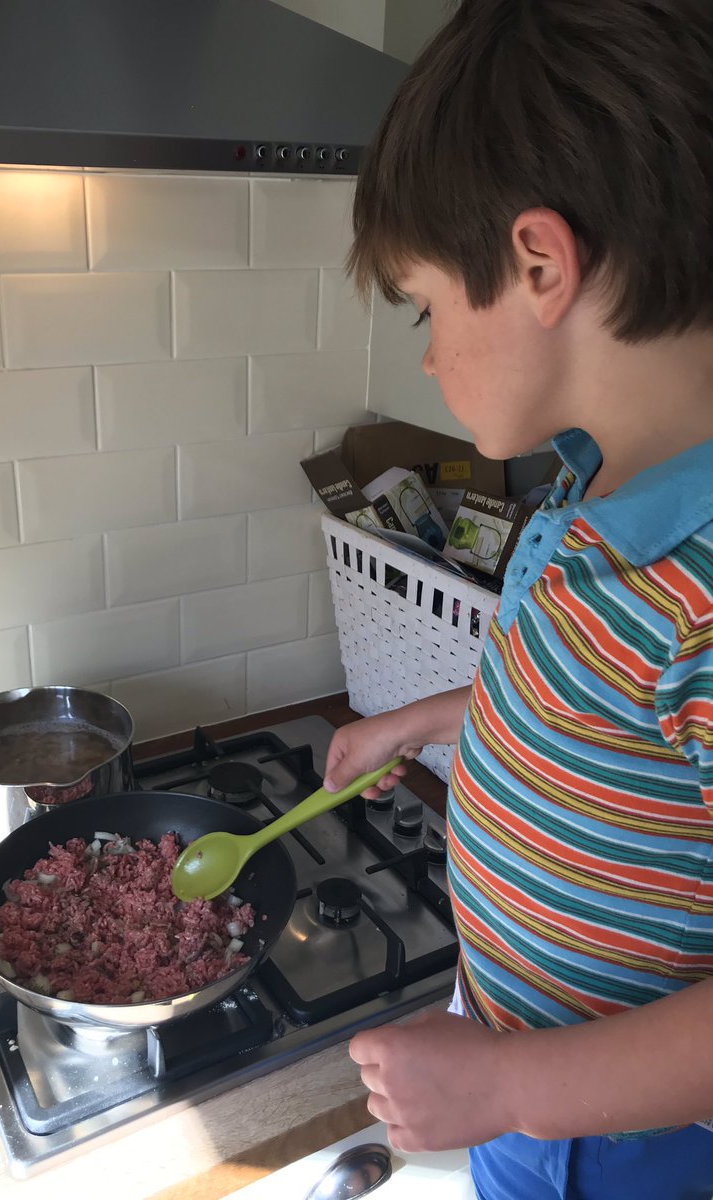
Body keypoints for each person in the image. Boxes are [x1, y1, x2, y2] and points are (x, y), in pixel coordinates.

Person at [322, 2, 713, 1197]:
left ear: (540, 263)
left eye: (426, 307)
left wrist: (506, 1091)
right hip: (520, 1072)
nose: (430, 357)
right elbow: (582, 708)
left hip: (632, 1149)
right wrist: (435, 719)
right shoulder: (591, 490)